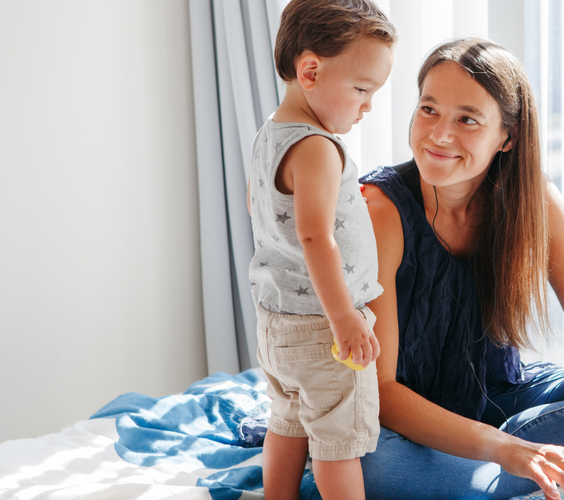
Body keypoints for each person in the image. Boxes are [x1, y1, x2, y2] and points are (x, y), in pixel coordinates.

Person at [359, 38, 564, 500]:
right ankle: (521, 466)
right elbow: (382, 391)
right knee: (377, 466)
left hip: (496, 396)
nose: (439, 134)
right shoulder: (379, 211)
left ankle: (483, 475)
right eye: (429, 109)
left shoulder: (535, 201)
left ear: (507, 137)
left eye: (467, 119)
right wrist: (507, 449)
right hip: (403, 421)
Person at [246, 1, 395, 499]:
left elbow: (259, 208)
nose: (367, 106)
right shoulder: (316, 147)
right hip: (322, 326)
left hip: (277, 321)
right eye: (362, 89)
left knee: (287, 419)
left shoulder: (271, 134)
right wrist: (344, 318)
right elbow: (314, 236)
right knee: (337, 440)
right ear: (310, 71)